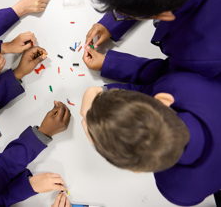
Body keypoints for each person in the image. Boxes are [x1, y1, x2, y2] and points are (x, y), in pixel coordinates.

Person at [80, 47, 221, 206]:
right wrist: (99, 94)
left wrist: (97, 93)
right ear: (163, 100)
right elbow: (148, 94)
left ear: (136, 171)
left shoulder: (178, 192)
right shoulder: (181, 85)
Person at [85, 0, 221, 80]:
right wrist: (110, 23)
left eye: (123, 14)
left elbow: (168, 77)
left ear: (165, 15)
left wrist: (109, 64)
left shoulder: (199, 56)